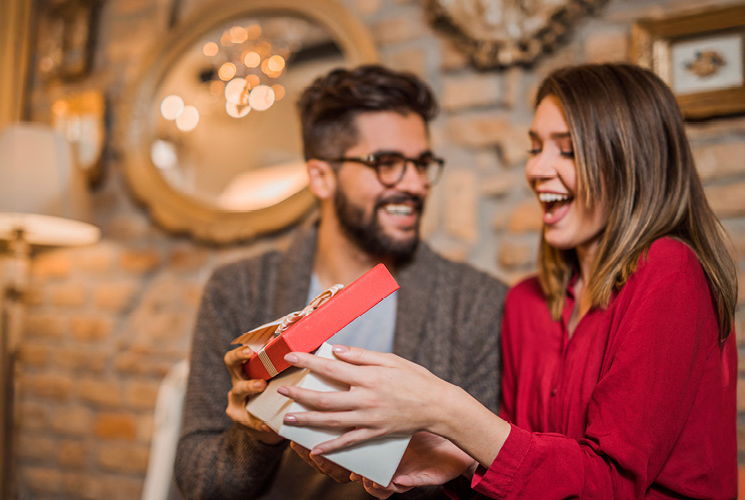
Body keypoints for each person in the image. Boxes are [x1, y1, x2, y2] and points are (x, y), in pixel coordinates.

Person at [276, 62, 740, 499]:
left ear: (633, 161)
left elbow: (611, 485)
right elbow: (530, 473)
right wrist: (456, 460)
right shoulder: (526, 304)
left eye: (569, 150)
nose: (536, 169)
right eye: (536, 147)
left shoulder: (669, 271)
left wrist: (447, 409)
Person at [173, 65, 507, 500]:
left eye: (422, 163)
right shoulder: (239, 289)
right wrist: (256, 433)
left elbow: (490, 480)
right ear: (321, 177)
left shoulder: (477, 301)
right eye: (386, 163)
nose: (415, 184)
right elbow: (200, 482)